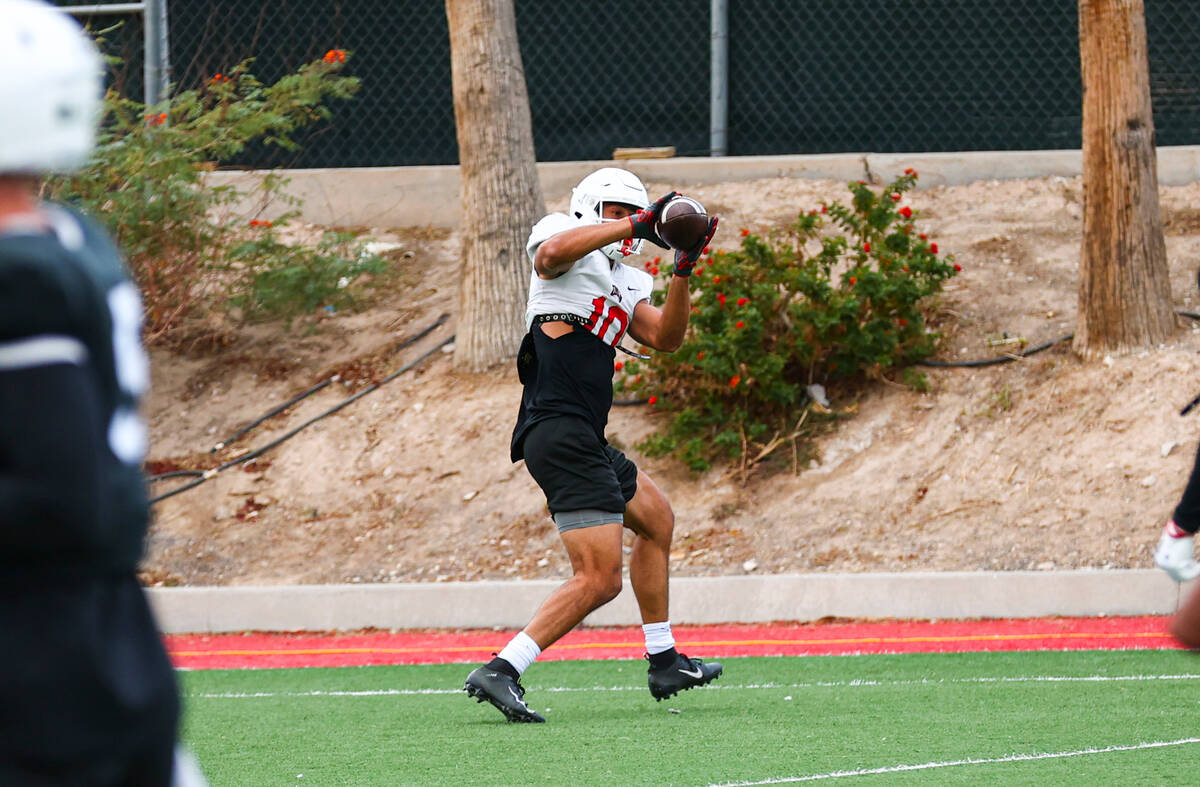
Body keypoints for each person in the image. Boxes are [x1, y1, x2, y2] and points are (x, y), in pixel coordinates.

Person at [0, 2, 198, 784]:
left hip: (39, 652)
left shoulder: (20, 275)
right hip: (95, 630)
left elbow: (57, 494)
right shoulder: (75, 236)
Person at [464, 167, 721, 722]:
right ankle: (502, 669)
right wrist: (640, 219)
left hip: (584, 434)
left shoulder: (626, 279)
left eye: (630, 216)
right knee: (599, 578)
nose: (625, 227)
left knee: (656, 518)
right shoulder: (562, 236)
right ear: (589, 209)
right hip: (556, 428)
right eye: (612, 213)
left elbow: (666, 339)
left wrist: (683, 267)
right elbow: (550, 255)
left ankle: (665, 659)